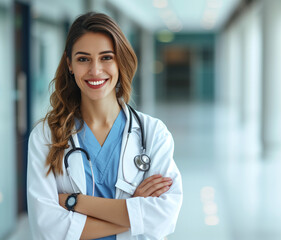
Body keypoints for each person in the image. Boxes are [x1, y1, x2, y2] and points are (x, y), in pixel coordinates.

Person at [27, 12, 183, 240]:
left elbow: (164, 218)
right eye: (83, 59)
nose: (95, 70)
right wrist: (133, 211)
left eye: (106, 57)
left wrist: (76, 202)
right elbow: (48, 228)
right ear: (69, 64)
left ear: (120, 60)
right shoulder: (45, 136)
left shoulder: (153, 133)